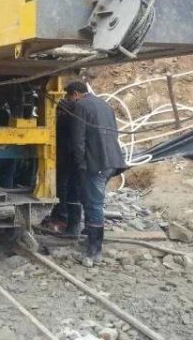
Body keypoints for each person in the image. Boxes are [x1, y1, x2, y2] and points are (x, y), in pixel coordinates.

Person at [65, 80, 126, 261]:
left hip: (95, 163)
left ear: (75, 94)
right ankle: (91, 238)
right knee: (90, 199)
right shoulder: (105, 104)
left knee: (93, 203)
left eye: (69, 97)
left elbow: (78, 139)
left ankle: (95, 249)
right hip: (112, 161)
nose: (70, 100)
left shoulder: (81, 106)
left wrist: (81, 163)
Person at [40, 89, 81, 236]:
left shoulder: (66, 118)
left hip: (66, 157)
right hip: (70, 157)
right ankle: (64, 218)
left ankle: (63, 219)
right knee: (68, 188)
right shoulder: (75, 113)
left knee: (64, 187)